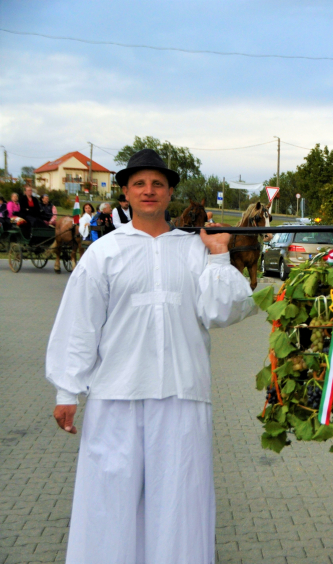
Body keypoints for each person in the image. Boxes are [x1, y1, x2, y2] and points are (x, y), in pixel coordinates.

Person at [46, 148, 257, 564]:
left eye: (157, 183)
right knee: (108, 502)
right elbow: (79, 324)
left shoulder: (195, 249)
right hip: (115, 396)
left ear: (170, 192)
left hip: (182, 395)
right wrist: (66, 390)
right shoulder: (104, 253)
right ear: (124, 192)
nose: (148, 191)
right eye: (139, 183)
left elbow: (224, 310)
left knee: (180, 503)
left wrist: (217, 254)